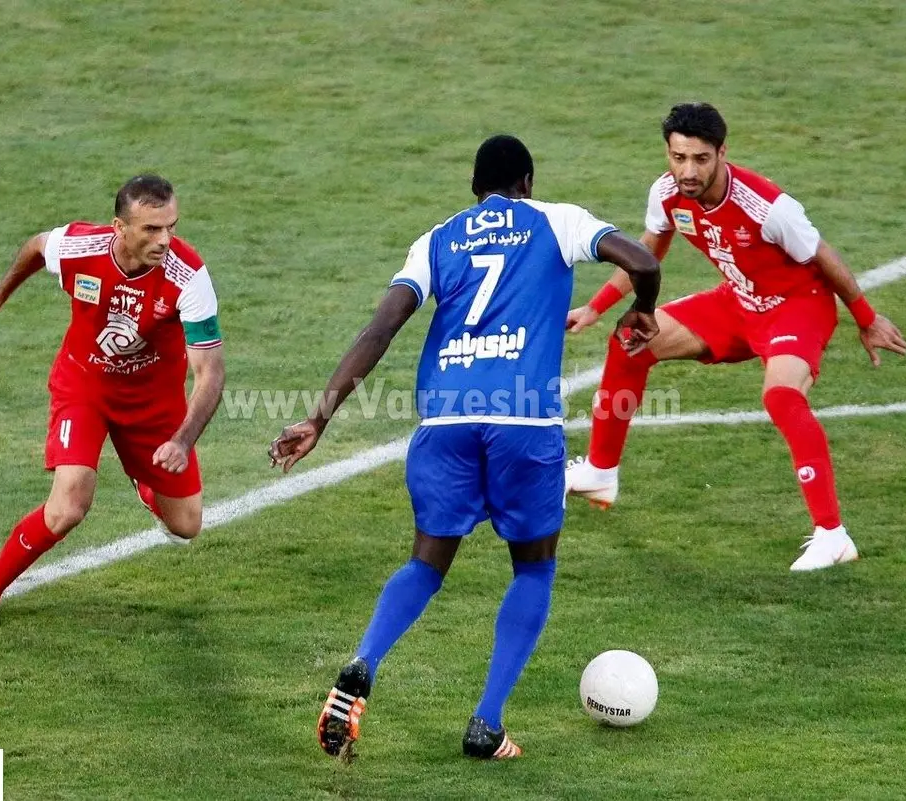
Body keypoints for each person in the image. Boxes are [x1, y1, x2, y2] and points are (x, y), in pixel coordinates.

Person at [269, 135, 662, 760]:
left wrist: (318, 418)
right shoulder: (557, 220)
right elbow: (641, 260)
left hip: (445, 423)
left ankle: (365, 660)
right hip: (523, 423)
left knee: (426, 564)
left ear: (474, 190)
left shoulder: (437, 240)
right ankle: (487, 723)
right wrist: (641, 309)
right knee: (533, 566)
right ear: (527, 183)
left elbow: (381, 328)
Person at [564, 103, 906, 571]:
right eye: (679, 157)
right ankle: (601, 472)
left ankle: (833, 535)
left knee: (782, 397)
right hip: (738, 301)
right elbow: (648, 251)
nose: (688, 171)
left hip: (797, 307)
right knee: (631, 339)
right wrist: (596, 306)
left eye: (700, 159)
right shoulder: (667, 193)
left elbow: (822, 256)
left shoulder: (766, 205)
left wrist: (866, 318)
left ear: (722, 153)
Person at [0, 175, 226, 632]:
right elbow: (38, 246)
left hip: (154, 405)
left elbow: (210, 372)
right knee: (68, 506)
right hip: (85, 387)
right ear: (120, 227)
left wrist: (182, 441)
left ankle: (145, 483)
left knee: (186, 526)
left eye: (170, 227)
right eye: (151, 229)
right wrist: (0, 292)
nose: (164, 240)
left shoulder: (189, 277)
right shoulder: (81, 247)